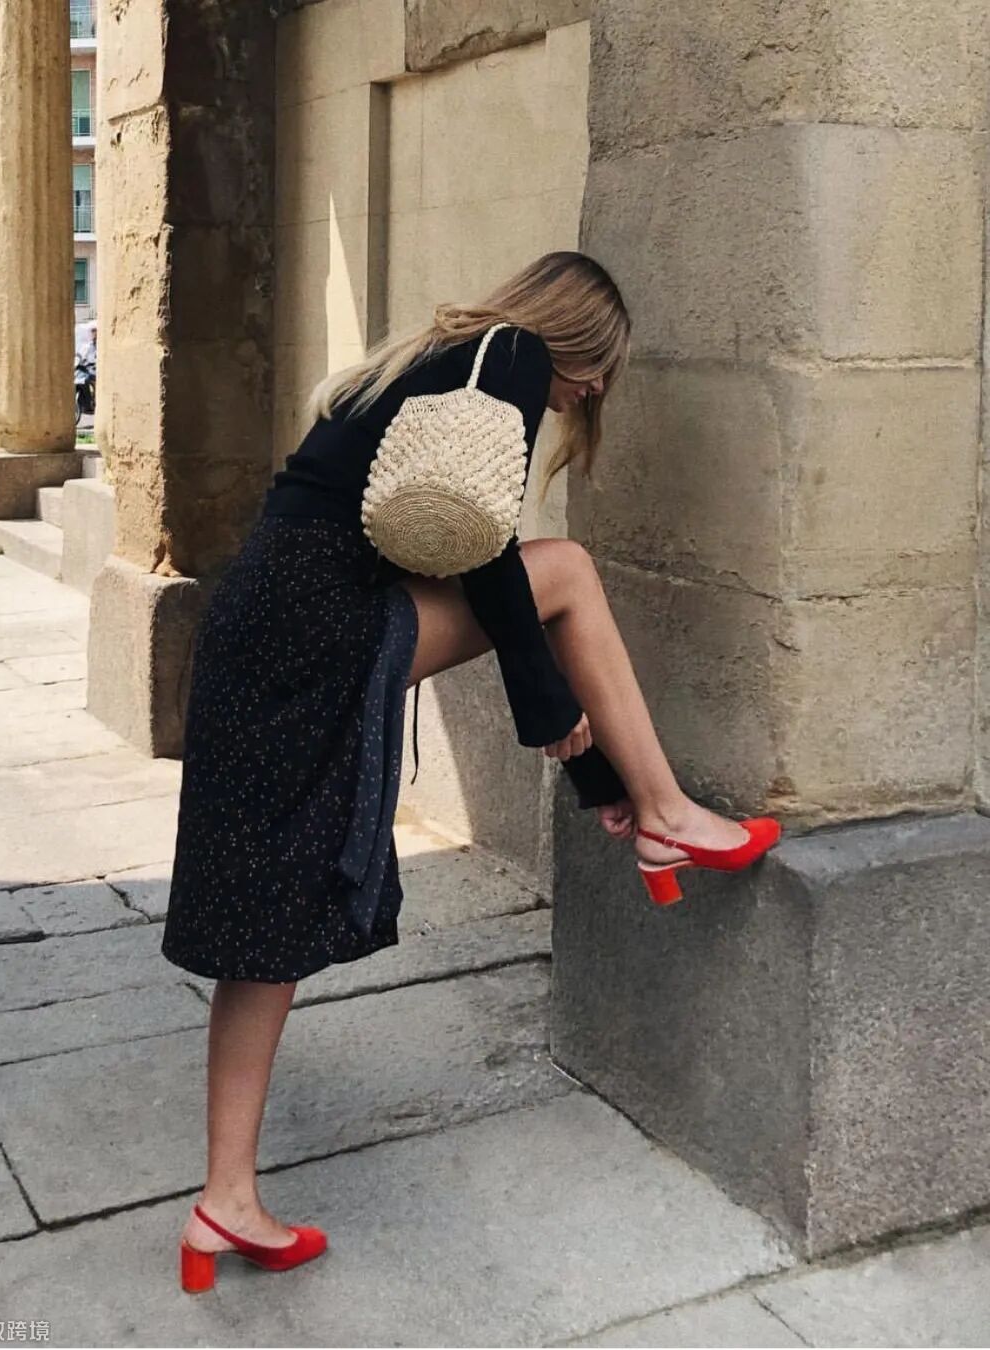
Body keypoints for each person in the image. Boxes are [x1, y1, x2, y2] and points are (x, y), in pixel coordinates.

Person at [160, 251, 781, 1292]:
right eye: (600, 369)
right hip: (316, 627)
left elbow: (453, 550)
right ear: (574, 342)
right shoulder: (515, 356)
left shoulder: (432, 357)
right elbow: (487, 550)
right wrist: (549, 713)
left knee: (264, 922)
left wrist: (585, 771)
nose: (594, 391)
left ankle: (225, 1200)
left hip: (255, 628)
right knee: (565, 570)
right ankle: (668, 813)